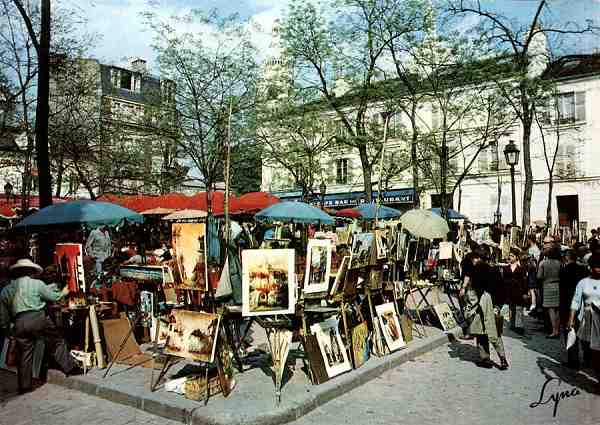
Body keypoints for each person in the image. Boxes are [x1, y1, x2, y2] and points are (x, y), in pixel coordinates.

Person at [0, 259, 81, 394]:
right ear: (31, 271)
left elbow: (3, 316)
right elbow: (53, 297)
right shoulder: (36, 284)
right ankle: (70, 368)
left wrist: (8, 329)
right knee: (56, 342)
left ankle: (24, 386)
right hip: (38, 318)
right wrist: (64, 292)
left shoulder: (6, 290)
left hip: (19, 321)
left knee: (25, 353)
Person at [463, 249, 509, 370]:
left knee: (481, 332)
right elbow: (502, 290)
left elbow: (474, 292)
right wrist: (498, 306)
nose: (472, 261)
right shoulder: (495, 270)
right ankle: (503, 358)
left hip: (481, 304)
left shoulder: (476, 270)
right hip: (494, 304)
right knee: (495, 332)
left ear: (477, 258)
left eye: (473, 259)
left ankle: (485, 358)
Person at [567, 253, 600, 380]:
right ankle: (591, 362)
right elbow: (576, 301)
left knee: (597, 349)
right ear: (590, 267)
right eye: (597, 266)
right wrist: (571, 319)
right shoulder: (583, 283)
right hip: (587, 319)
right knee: (588, 346)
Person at [538, 246, 562, 338]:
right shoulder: (559, 263)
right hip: (558, 285)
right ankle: (557, 329)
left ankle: (554, 330)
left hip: (547, 285)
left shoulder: (543, 263)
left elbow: (539, 276)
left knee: (551, 309)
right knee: (557, 309)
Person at [502, 248, 528, 335]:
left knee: (518, 308)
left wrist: (525, 292)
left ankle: (519, 325)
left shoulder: (521, 269)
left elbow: (524, 282)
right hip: (509, 290)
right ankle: (512, 324)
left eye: (512, 256)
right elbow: (503, 280)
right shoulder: (506, 268)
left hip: (518, 290)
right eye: (510, 255)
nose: (510, 257)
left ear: (516, 257)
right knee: (510, 307)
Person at [526, 235, 541, 313]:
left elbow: (534, 262)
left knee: (532, 288)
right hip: (533, 270)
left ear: (530, 240)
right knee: (533, 288)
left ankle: (533, 304)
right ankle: (534, 304)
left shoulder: (533, 249)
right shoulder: (536, 248)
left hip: (532, 270)